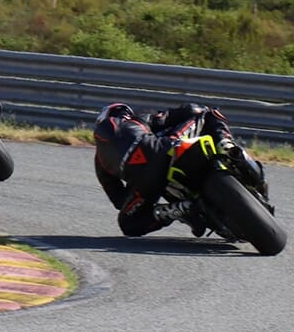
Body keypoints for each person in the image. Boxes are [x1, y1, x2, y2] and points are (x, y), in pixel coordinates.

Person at [93, 102, 268, 238]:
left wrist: (141, 191)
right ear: (124, 113)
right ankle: (226, 144)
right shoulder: (138, 118)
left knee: (128, 224)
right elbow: (187, 111)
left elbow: (119, 201)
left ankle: (178, 208)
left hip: (145, 182)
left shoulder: (99, 163)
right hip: (165, 149)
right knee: (207, 112)